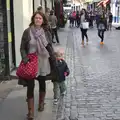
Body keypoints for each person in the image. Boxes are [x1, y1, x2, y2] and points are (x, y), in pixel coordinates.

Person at [20, 11, 57, 120]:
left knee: (42, 82)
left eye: (40, 18)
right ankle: (30, 112)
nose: (38, 20)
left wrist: (54, 57)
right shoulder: (27, 32)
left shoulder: (46, 32)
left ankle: (41, 103)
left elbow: (49, 46)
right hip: (31, 62)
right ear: (33, 19)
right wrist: (25, 58)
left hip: (43, 61)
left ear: (43, 20)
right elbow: (22, 47)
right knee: (30, 86)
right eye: (36, 18)